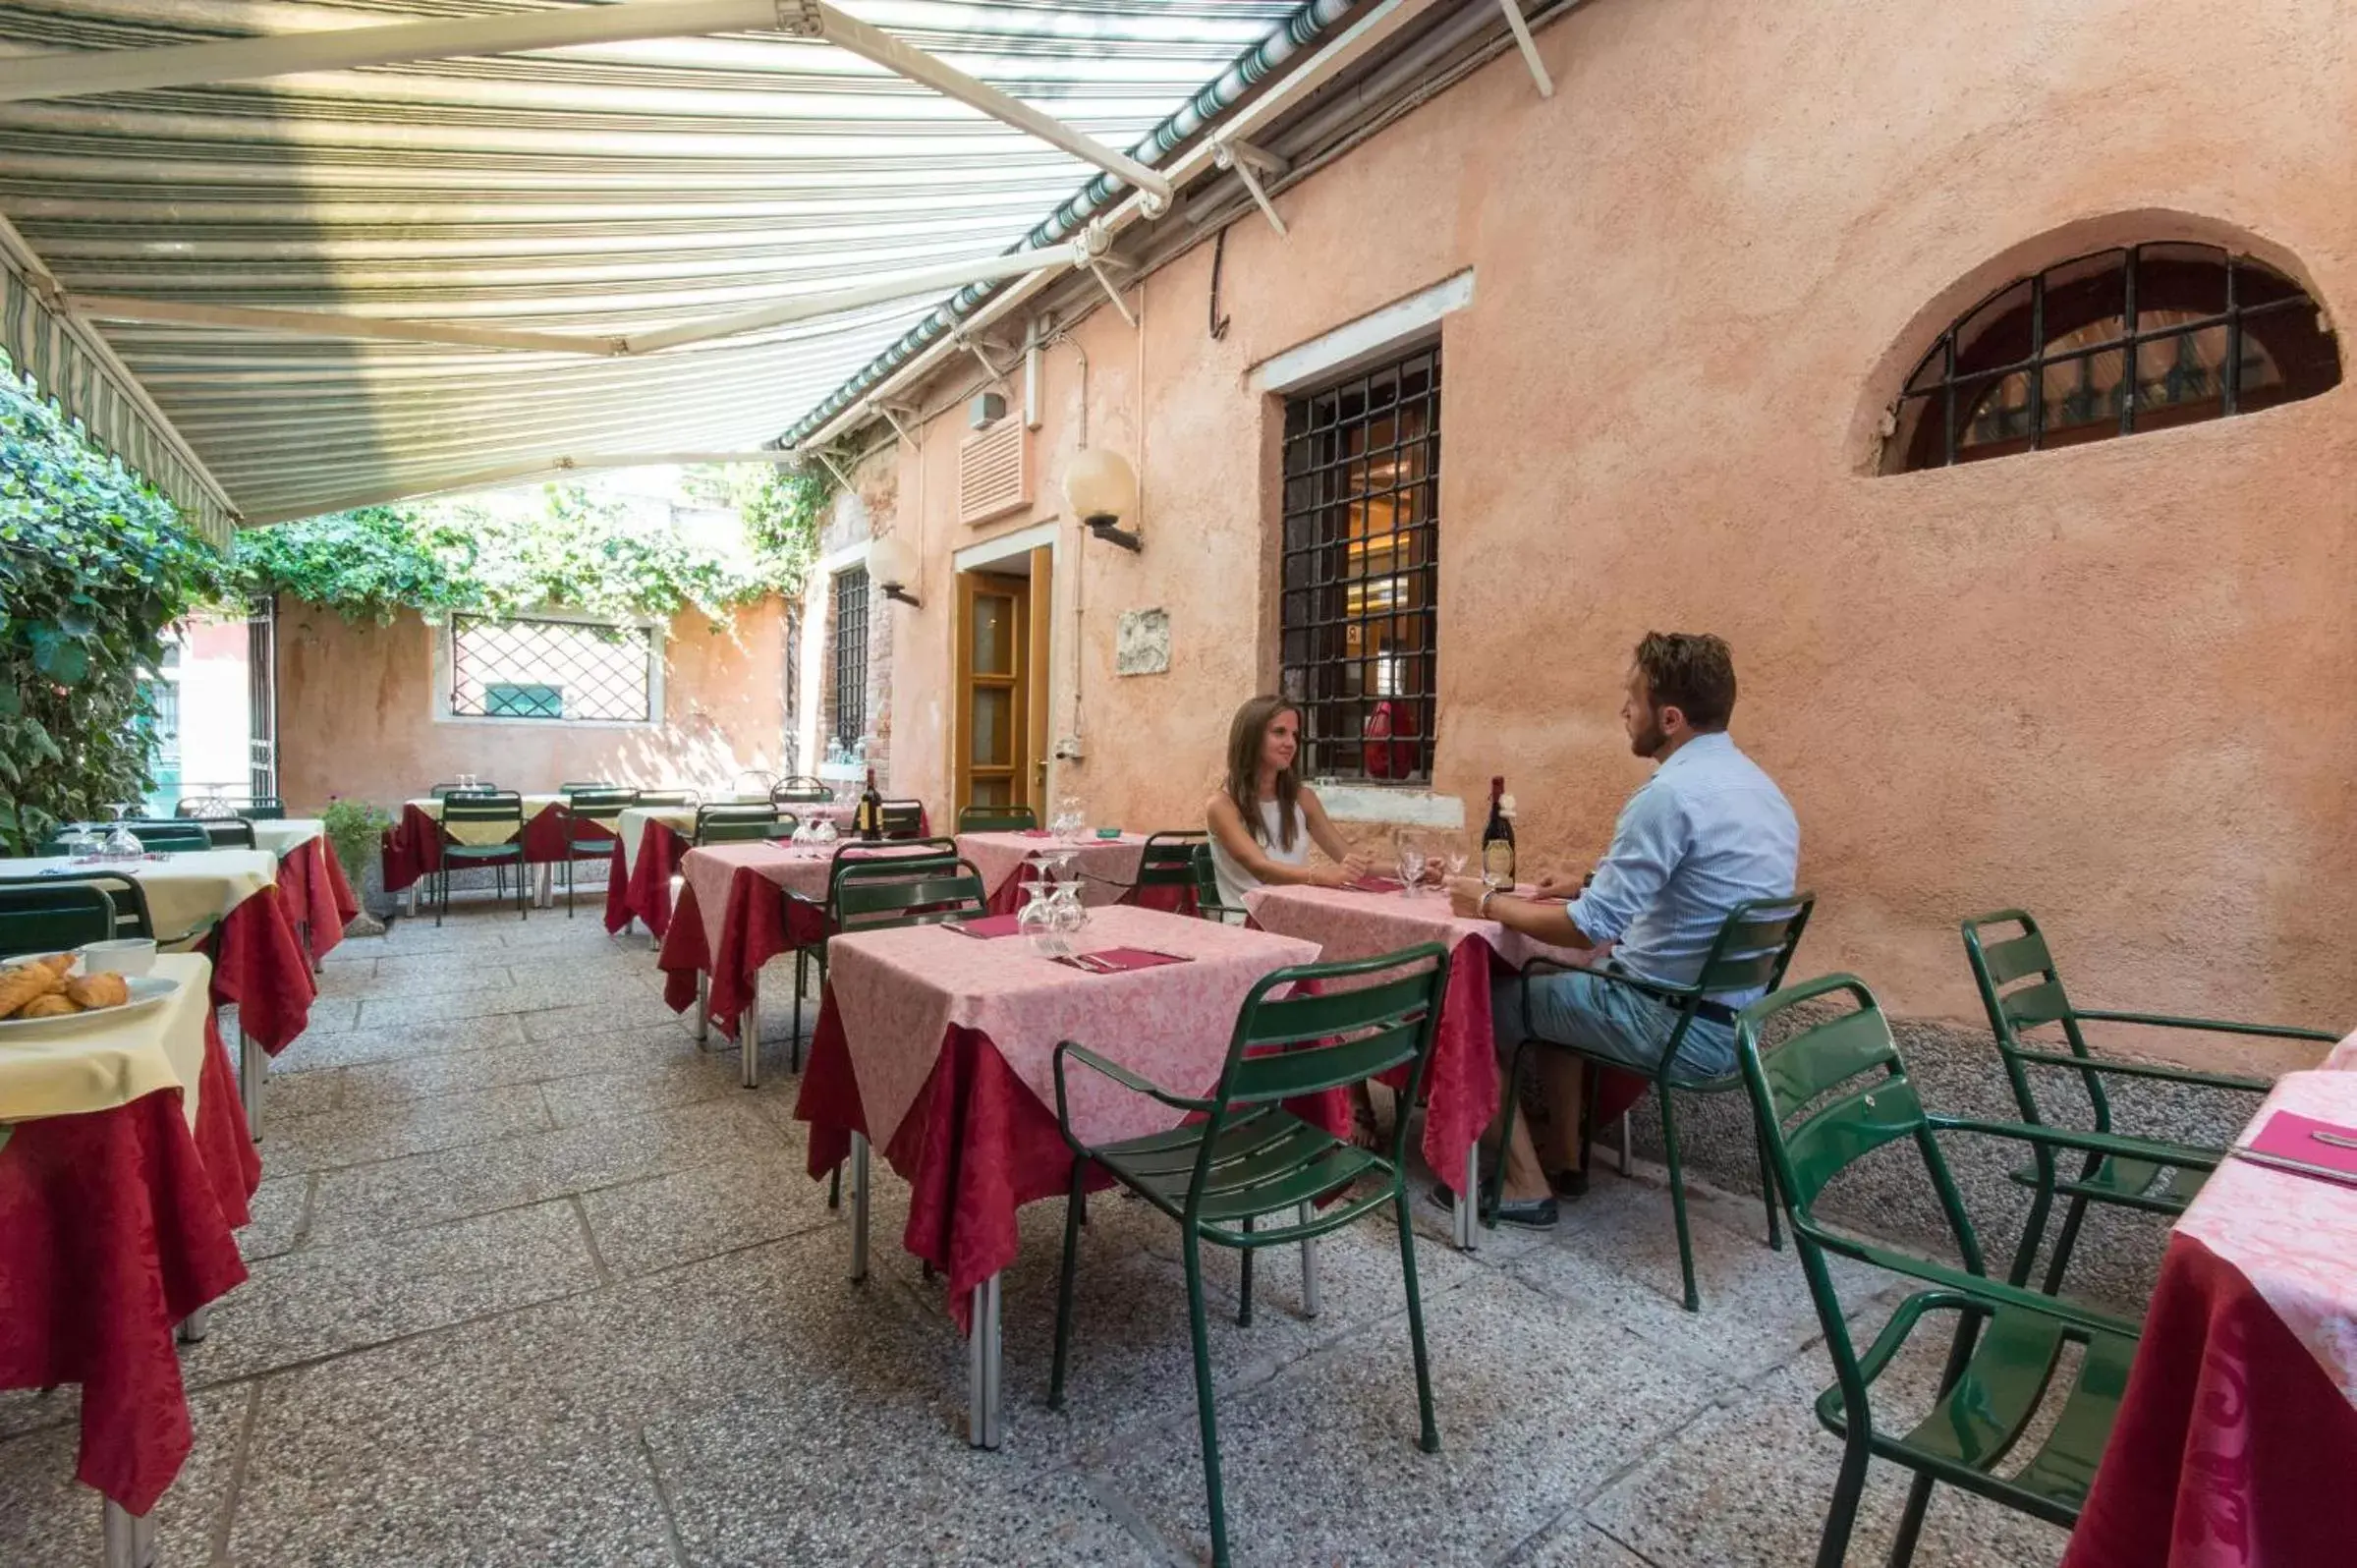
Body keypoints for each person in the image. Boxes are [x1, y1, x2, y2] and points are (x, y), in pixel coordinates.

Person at [1443, 632, 1799, 1227]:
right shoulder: (1764, 792)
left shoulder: (1667, 795)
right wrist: (1589, 880)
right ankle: (1563, 1157)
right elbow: (1697, 884)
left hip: (1669, 1023)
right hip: (1737, 1027)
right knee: (1555, 989)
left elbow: (1586, 930)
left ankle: (1523, 1184)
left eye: (1631, 700)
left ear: (1670, 717)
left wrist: (1484, 902)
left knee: (1473, 1005)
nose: (1624, 713)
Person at [1205, 695, 1372, 907]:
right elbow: (1262, 869)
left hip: (1297, 913)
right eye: (1279, 732)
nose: (1291, 743)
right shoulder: (1222, 805)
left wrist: (1409, 870)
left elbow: (1350, 856)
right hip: (1249, 923)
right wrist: (1321, 876)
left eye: (1295, 735)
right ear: (1251, 737)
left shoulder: (1303, 798)